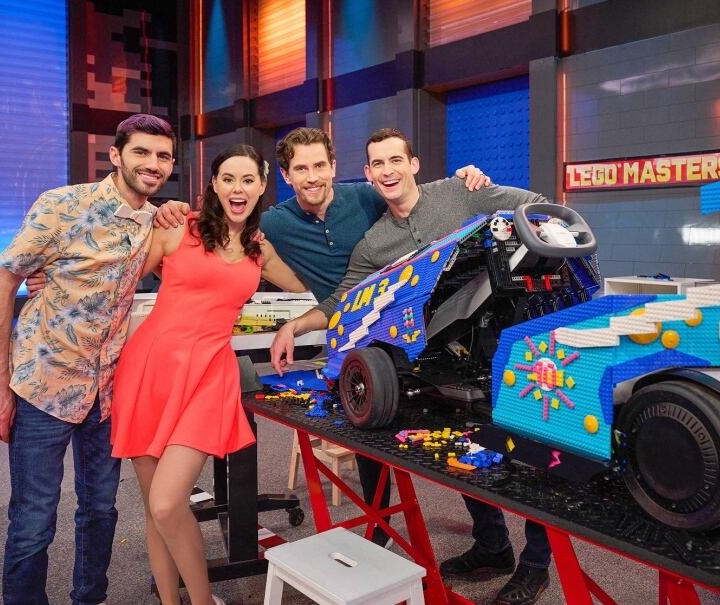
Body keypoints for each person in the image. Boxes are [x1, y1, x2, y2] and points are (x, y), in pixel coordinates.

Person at [155, 126, 490, 548]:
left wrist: (469, 180)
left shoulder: (367, 197)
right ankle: (378, 533)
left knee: (454, 435)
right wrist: (170, 211)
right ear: (285, 176)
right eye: (300, 169)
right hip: (351, 344)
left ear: (334, 167)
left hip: (422, 329)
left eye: (319, 166)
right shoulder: (274, 222)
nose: (311, 177)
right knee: (370, 444)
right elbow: (221, 227)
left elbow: (410, 193)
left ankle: (490, 541)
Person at [269, 128, 553, 605]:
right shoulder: (375, 243)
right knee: (472, 455)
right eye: (378, 164)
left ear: (414, 163)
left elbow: (536, 206)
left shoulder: (461, 192)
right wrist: (293, 327)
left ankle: (536, 565)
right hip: (457, 365)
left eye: (395, 160)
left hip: (520, 347)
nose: (388, 171)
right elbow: (345, 300)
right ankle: (493, 548)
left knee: (533, 462)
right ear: (368, 174)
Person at [0, 114, 185, 605]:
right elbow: (5, 282)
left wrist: (171, 210)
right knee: (33, 520)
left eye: (162, 156)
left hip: (106, 394)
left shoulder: (152, 222)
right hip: (43, 387)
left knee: (101, 511)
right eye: (140, 152)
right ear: (115, 155)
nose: (151, 164)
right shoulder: (62, 205)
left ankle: (88, 599)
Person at [111, 144, 306, 605]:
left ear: (261, 188)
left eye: (248, 180)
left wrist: (297, 324)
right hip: (149, 370)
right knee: (157, 511)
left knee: (166, 502)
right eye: (228, 179)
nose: (238, 188)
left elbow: (306, 291)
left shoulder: (261, 249)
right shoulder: (181, 228)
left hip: (208, 376)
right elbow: (115, 281)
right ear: (214, 185)